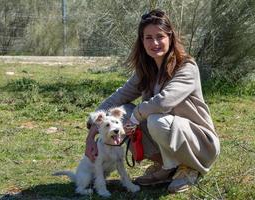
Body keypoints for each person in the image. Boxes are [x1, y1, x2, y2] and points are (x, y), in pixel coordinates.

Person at [85, 9, 220, 193]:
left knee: (155, 120)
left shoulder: (187, 66)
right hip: (169, 132)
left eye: (160, 36)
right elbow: (119, 96)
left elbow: (164, 102)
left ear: (170, 38)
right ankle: (167, 167)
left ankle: (189, 168)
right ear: (142, 41)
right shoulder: (146, 70)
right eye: (148, 37)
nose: (154, 42)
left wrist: (135, 117)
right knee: (122, 112)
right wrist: (92, 133)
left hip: (200, 144)